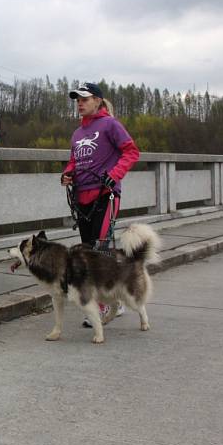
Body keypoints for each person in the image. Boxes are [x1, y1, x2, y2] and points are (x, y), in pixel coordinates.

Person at [60, 82, 140, 327]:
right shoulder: (77, 133)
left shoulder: (110, 125)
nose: (80, 103)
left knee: (100, 249)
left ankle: (105, 304)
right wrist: (67, 174)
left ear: (97, 101)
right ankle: (108, 299)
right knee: (86, 252)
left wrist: (114, 175)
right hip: (82, 198)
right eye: (77, 100)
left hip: (106, 195)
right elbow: (74, 162)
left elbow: (131, 152)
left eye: (84, 99)